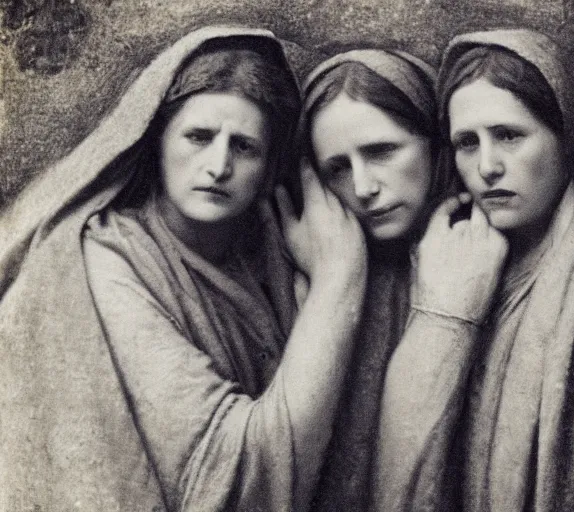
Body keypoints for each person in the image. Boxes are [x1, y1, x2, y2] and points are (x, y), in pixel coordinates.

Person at [0, 26, 368, 511]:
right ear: (158, 142)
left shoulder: (270, 254)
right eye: (198, 137)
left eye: (244, 147)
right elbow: (244, 476)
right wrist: (340, 280)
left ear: (269, 164)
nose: (218, 165)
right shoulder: (106, 262)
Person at [375, 28, 574, 511]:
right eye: (466, 143)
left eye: (509, 136)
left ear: (568, 139)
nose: (487, 167)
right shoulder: (460, 268)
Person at [302, 49, 507, 511]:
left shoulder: (491, 257)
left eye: (381, 152)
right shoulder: (318, 277)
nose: (362, 188)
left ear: (435, 145)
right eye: (338, 168)